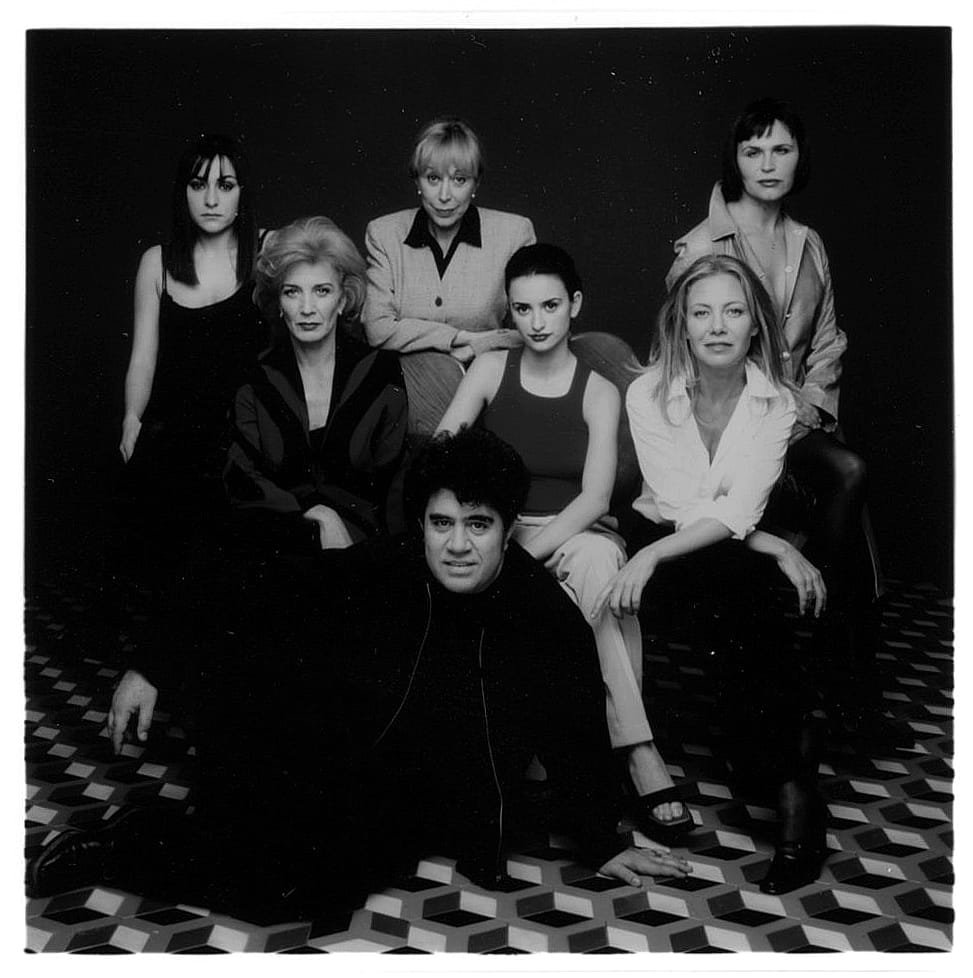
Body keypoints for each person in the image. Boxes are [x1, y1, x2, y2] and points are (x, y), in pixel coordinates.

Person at [29, 427, 691, 921]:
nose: (456, 545)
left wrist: (602, 840)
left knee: (306, 894)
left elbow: (576, 729)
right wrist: (151, 663)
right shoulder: (388, 568)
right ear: (422, 523)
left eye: (477, 526)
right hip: (342, 757)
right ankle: (117, 843)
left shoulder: (544, 617)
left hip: (418, 796)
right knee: (276, 875)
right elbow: (244, 578)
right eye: (440, 523)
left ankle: (139, 837)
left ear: (508, 527)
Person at [437, 244, 692, 843]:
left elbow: (596, 499)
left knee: (602, 562)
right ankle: (622, 752)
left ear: (574, 304)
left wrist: (523, 557)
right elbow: (443, 451)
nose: (538, 321)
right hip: (498, 527)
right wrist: (485, 533)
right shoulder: (489, 371)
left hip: (573, 529)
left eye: (551, 305)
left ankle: (636, 749)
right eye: (523, 309)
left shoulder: (599, 389)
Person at [596, 254, 827, 894]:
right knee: (743, 580)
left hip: (705, 554)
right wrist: (774, 545)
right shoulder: (647, 390)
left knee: (737, 585)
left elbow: (740, 507)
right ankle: (793, 779)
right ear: (683, 324)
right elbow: (679, 502)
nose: (717, 326)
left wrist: (752, 535)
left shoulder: (776, 402)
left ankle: (787, 783)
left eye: (733, 311)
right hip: (663, 539)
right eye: (702, 313)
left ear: (756, 324)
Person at [664, 98, 879, 725]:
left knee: (849, 473)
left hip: (800, 419)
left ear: (798, 159)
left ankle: (840, 678)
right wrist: (773, 414)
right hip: (729, 421)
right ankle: (833, 685)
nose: (767, 164)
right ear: (734, 160)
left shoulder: (808, 243)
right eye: (752, 151)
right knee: (844, 476)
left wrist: (807, 408)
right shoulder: (701, 244)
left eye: (780, 150)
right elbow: (694, 349)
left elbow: (830, 340)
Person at [223, 216, 409, 555]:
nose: (307, 308)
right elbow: (241, 476)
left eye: (322, 291)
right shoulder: (254, 376)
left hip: (364, 546)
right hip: (276, 540)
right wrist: (316, 515)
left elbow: (394, 485)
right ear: (279, 303)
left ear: (342, 299)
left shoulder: (380, 371)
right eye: (293, 292)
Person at [119, 133, 264, 524]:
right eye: (199, 185)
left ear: (242, 193)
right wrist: (132, 417)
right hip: (174, 439)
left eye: (226, 185)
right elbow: (143, 359)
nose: (212, 200)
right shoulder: (157, 263)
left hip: (250, 441)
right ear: (183, 192)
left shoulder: (269, 254)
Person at [363, 117, 536, 433]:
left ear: (476, 184)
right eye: (432, 178)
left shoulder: (514, 233)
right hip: (412, 402)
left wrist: (473, 348)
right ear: (417, 181)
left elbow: (532, 328)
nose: (445, 195)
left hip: (494, 394)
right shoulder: (384, 233)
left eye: (459, 180)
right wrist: (456, 338)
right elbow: (376, 328)